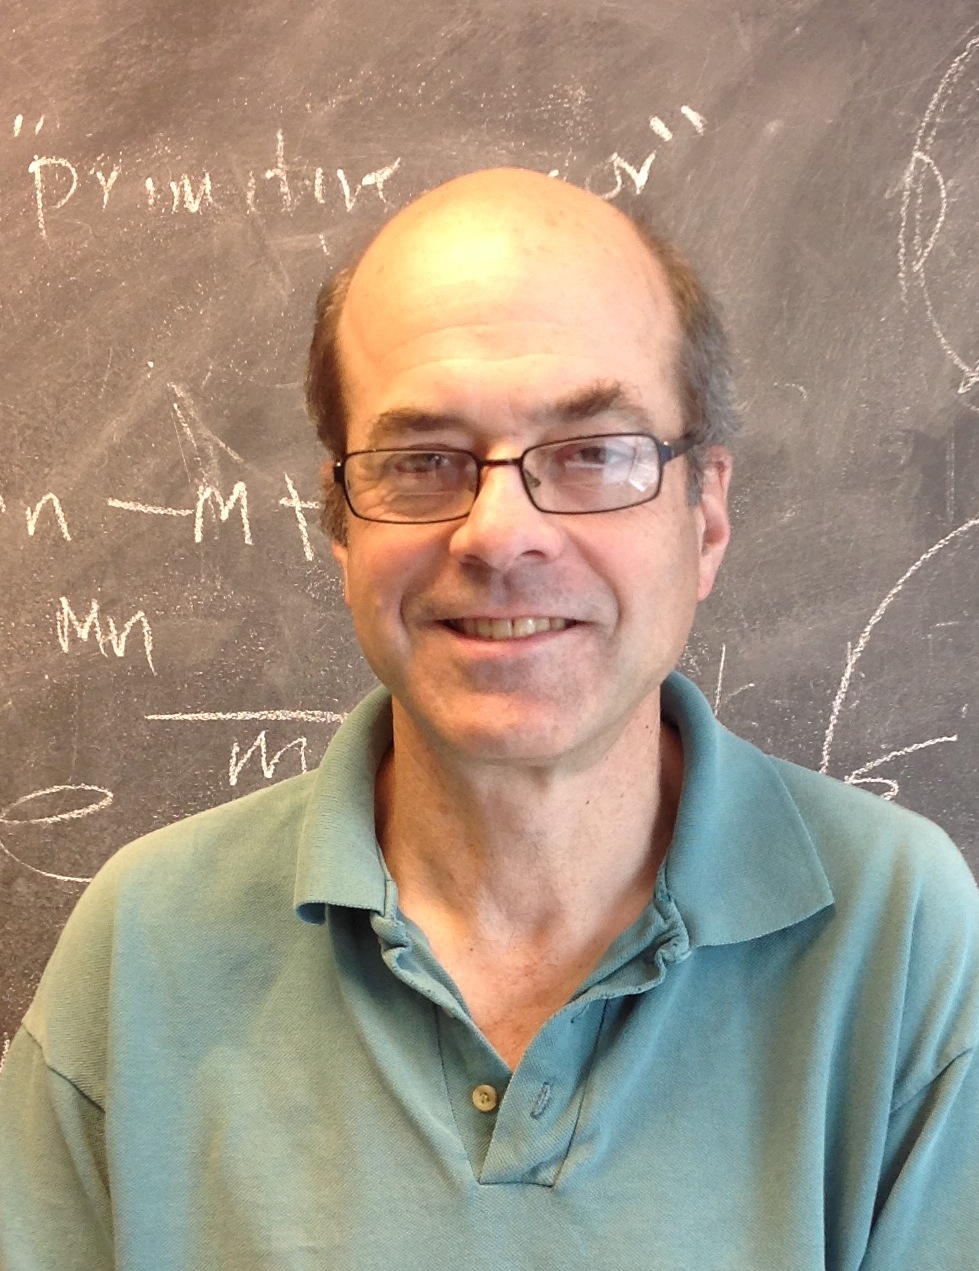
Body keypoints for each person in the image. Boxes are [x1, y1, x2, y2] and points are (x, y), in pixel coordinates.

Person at [1, 167, 977, 1269]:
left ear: (705, 516)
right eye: (422, 461)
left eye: (592, 452)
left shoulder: (898, 935)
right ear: (340, 529)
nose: (500, 534)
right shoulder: (145, 945)